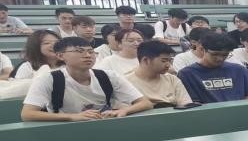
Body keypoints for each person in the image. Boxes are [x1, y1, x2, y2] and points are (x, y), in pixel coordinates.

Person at [21, 37, 152, 121]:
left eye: (90, 51)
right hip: (64, 129)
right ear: (60, 56)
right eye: (79, 51)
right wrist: (72, 117)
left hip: (103, 126)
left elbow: (145, 103)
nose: (88, 55)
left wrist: (124, 110)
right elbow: (27, 114)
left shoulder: (109, 76)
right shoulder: (48, 79)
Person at [177, 32, 248, 103]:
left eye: (225, 55)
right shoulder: (187, 74)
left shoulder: (239, 70)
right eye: (215, 54)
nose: (220, 58)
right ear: (203, 49)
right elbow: (192, 104)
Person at [125, 40, 193, 108]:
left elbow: (186, 105)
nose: (168, 65)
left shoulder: (172, 79)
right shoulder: (126, 82)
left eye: (170, 61)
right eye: (164, 61)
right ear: (146, 60)